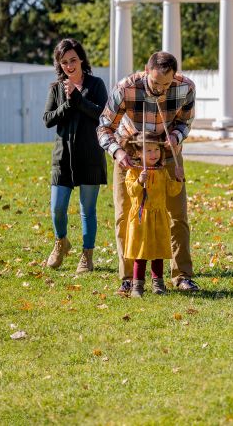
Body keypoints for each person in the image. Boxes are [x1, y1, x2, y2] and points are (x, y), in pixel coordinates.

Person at [97, 51, 199, 295]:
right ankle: (128, 278)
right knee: (126, 217)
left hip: (166, 154)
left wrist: (176, 136)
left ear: (174, 76)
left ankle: (182, 275)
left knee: (177, 215)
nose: (160, 90)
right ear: (146, 70)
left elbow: (185, 121)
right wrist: (117, 153)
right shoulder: (126, 88)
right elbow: (104, 126)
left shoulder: (185, 88)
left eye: (166, 84)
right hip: (130, 157)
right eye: (155, 83)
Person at [43, 38, 108, 274]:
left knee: (87, 210)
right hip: (63, 158)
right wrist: (68, 104)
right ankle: (61, 242)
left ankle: (86, 256)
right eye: (64, 62)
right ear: (59, 65)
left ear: (81, 59)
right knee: (57, 209)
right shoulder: (56, 89)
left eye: (73, 60)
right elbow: (48, 119)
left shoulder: (96, 84)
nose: (69, 66)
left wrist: (79, 100)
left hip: (90, 156)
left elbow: (103, 115)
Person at [119, 132, 184, 297]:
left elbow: (172, 191)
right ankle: (137, 285)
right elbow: (132, 192)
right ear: (138, 153)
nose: (154, 154)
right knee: (140, 253)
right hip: (141, 218)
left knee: (158, 252)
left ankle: (158, 283)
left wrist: (178, 179)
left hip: (159, 217)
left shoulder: (162, 171)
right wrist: (140, 181)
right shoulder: (133, 172)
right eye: (148, 151)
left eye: (156, 149)